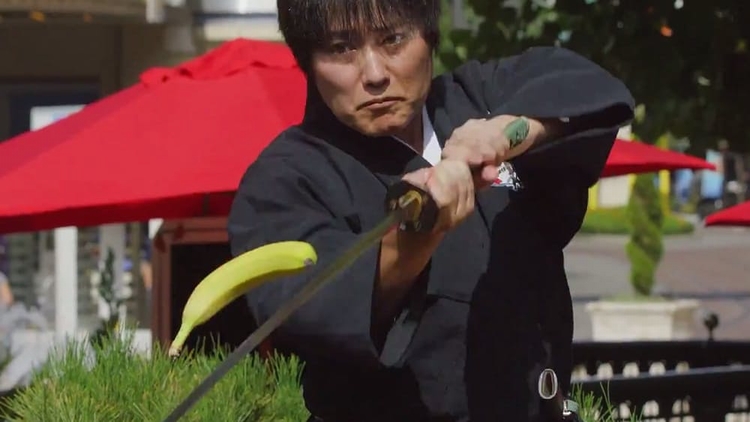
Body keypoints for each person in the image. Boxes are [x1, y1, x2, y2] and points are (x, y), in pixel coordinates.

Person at [227, 1, 634, 421]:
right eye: (341, 48)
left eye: (393, 39)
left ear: (429, 35)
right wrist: (417, 234)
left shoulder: (477, 98)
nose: (374, 74)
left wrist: (506, 132)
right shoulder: (284, 178)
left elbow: (584, 91)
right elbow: (307, 305)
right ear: (309, 61)